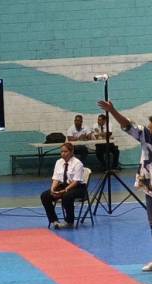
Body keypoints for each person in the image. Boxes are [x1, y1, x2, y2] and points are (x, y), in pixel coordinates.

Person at [98, 101, 152, 271]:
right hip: (149, 186)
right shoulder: (146, 136)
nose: (148, 126)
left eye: (151, 124)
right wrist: (112, 110)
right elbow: (128, 125)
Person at [40, 142, 87, 229]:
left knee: (66, 196)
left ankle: (69, 221)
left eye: (65, 151)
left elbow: (76, 181)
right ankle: (54, 220)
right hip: (63, 185)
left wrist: (64, 190)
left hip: (77, 187)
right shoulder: (58, 162)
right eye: (61, 152)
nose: (63, 154)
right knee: (45, 195)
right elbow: (56, 178)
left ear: (71, 152)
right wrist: (53, 189)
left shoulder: (78, 163)